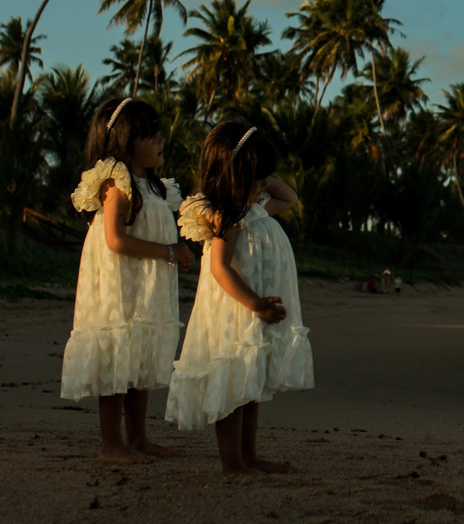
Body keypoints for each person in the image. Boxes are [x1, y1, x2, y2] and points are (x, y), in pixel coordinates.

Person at [165, 122, 314, 474]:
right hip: (236, 311)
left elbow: (289, 197)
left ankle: (250, 454)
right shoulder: (227, 215)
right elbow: (219, 267)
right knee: (233, 382)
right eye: (258, 177)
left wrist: (258, 171)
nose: (264, 185)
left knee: (252, 382)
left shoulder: (256, 208)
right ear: (235, 174)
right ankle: (232, 460)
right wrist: (256, 304)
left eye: (265, 177)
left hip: (254, 311)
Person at [60, 97, 195, 463]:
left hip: (147, 282)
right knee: (118, 352)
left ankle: (138, 438)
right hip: (120, 282)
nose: (159, 139)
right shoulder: (117, 185)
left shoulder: (156, 188)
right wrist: (169, 251)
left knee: (140, 353)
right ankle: (111, 444)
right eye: (149, 135)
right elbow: (115, 240)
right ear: (124, 142)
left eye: (157, 133)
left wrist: (176, 250)